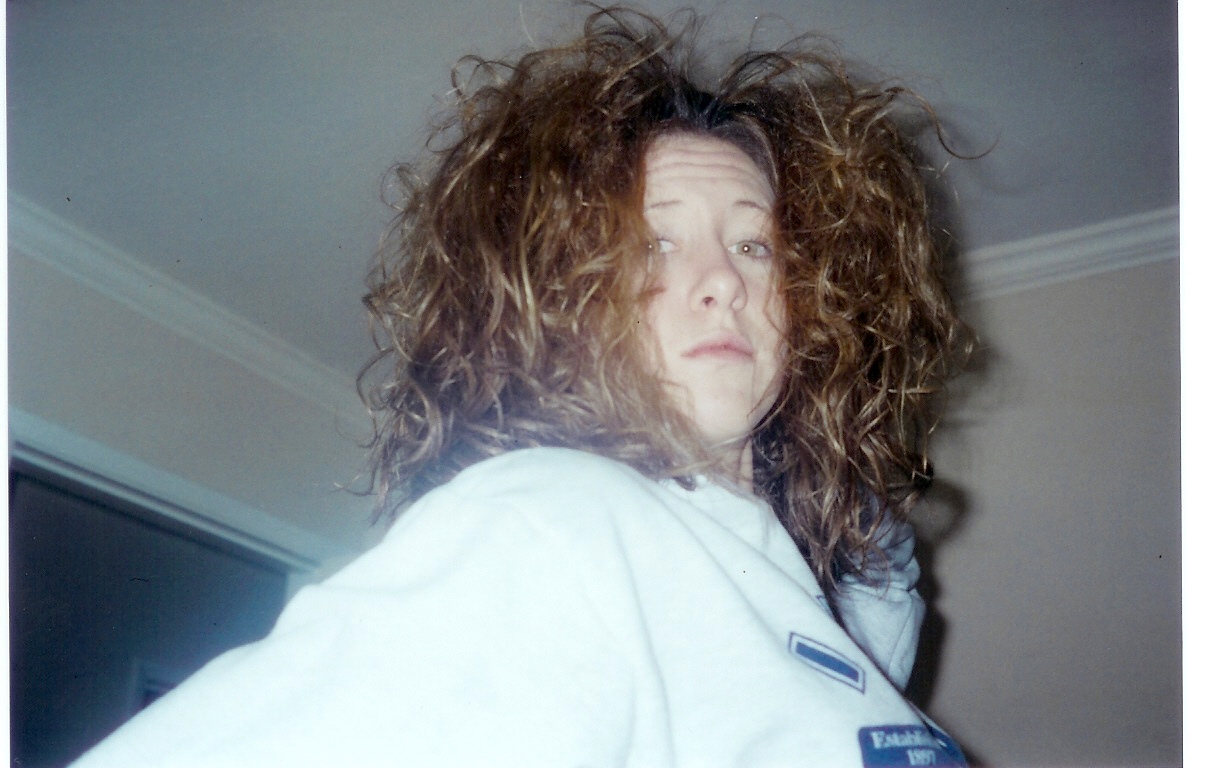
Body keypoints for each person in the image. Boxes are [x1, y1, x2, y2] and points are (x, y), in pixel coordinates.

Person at [73, 7, 970, 766]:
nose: (723, 281)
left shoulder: (802, 598)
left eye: (754, 244)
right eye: (655, 244)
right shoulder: (559, 520)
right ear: (566, 298)